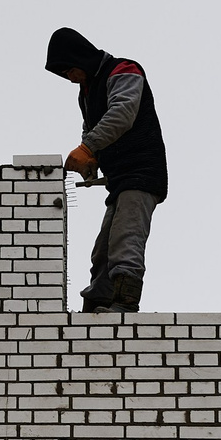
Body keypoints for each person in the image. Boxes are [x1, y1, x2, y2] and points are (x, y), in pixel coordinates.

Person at [45, 27, 168, 313]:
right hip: (120, 179)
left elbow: (122, 113)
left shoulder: (123, 70)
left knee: (126, 239)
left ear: (81, 60)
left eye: (70, 71)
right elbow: (91, 126)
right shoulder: (86, 91)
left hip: (142, 174)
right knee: (103, 251)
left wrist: (87, 148)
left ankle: (124, 304)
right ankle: (98, 303)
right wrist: (93, 158)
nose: (70, 78)